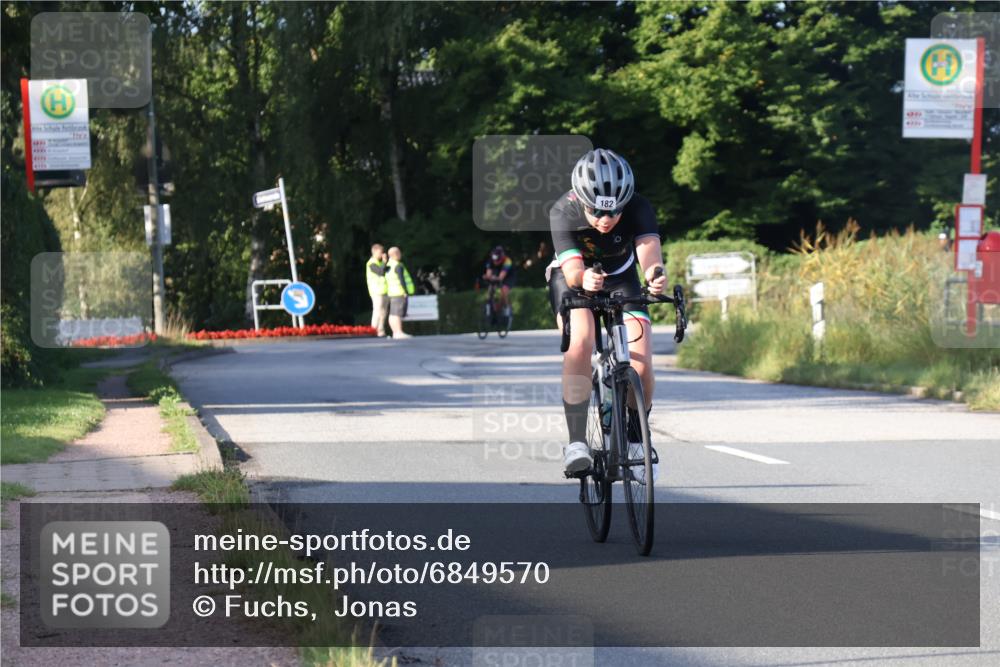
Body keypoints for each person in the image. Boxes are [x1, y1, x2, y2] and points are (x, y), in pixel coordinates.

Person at [547, 148, 666, 474]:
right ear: (581, 199)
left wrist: (656, 277)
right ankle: (576, 442)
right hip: (573, 277)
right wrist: (583, 277)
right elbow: (572, 271)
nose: (605, 220)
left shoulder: (639, 207)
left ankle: (635, 439)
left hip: (621, 276)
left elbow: (650, 256)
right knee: (581, 341)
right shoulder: (563, 211)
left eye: (613, 213)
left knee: (641, 360)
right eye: (596, 211)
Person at [386, 246, 415, 339]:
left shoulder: (388, 265)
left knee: (392, 314)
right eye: (399, 253)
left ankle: (395, 332)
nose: (400, 254)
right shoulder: (398, 265)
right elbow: (401, 279)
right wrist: (405, 291)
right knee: (397, 313)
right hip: (399, 292)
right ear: (396, 254)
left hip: (391, 292)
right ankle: (399, 332)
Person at [481, 245, 515, 317]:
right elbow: (488, 273)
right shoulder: (491, 260)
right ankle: (490, 309)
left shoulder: (507, 261)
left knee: (504, 291)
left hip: (508, 277)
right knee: (490, 289)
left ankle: (506, 308)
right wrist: (487, 277)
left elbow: (501, 277)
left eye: (498, 261)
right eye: (494, 261)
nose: (495, 262)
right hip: (496, 275)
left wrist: (492, 277)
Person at [366, 244, 389, 337]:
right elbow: (380, 272)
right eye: (380, 252)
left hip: (384, 290)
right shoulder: (371, 263)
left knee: (384, 312)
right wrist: (384, 262)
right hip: (376, 291)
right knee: (377, 311)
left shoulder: (379, 263)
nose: (382, 254)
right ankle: (373, 330)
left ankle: (381, 331)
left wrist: (384, 263)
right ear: (374, 252)